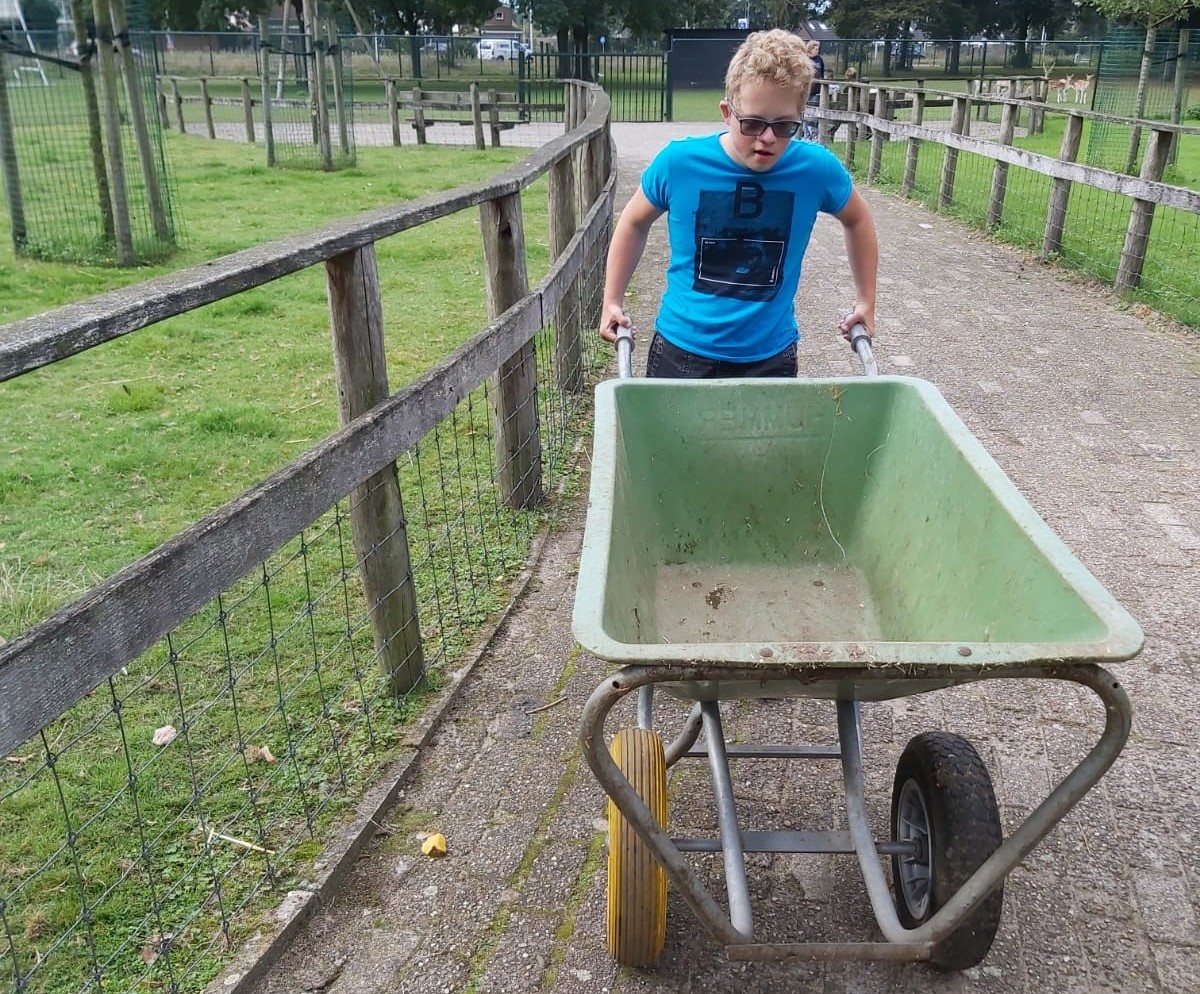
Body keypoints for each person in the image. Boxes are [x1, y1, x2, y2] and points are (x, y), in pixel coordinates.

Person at [598, 29, 878, 379]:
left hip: (770, 358)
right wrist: (613, 299)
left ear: (800, 115)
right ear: (727, 112)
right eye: (752, 123)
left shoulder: (815, 170)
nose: (767, 138)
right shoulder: (679, 163)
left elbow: (859, 219)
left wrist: (866, 301)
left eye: (784, 126)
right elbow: (633, 221)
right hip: (682, 354)